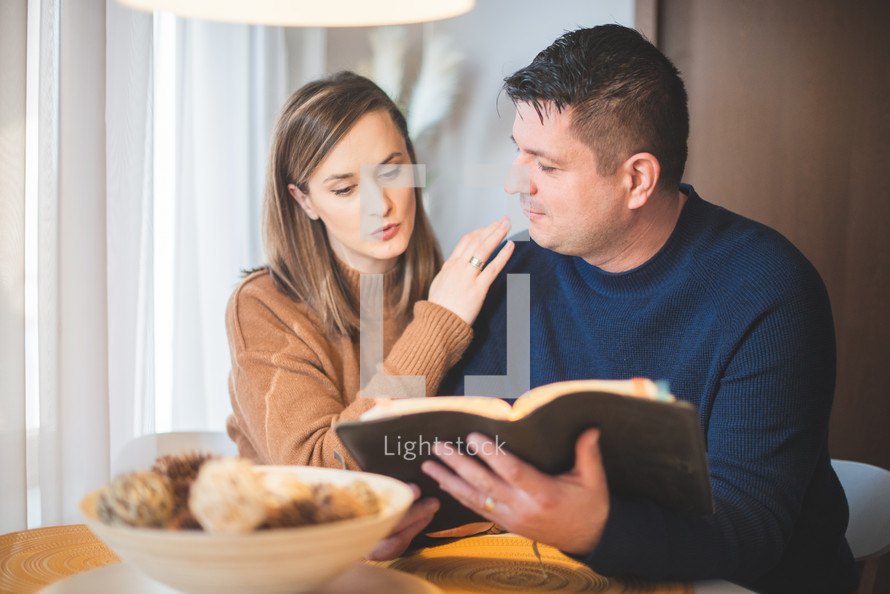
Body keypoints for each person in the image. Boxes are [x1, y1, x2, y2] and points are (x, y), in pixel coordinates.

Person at [413, 25, 859, 593]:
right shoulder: (513, 273)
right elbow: (461, 455)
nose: (514, 182)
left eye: (547, 166)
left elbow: (750, 531)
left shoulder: (768, 289)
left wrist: (595, 526)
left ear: (637, 179)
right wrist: (407, 516)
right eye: (518, 153)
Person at [224, 72, 514, 541]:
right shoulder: (265, 307)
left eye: (391, 170)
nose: (381, 205)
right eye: (344, 189)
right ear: (304, 200)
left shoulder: (449, 288)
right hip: (297, 567)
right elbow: (319, 471)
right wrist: (438, 328)